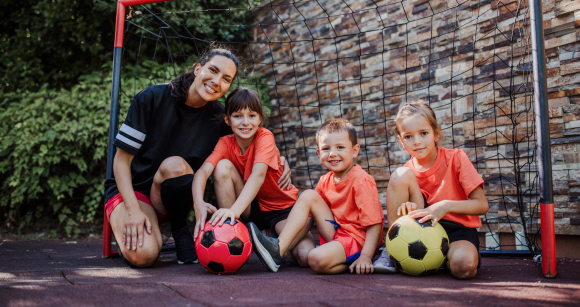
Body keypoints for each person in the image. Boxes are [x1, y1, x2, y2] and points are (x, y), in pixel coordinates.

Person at [103, 47, 293, 267]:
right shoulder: (152, 97)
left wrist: (279, 159)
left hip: (176, 199)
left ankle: (179, 225)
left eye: (226, 79)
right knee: (143, 256)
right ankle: (151, 226)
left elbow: (253, 139)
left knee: (176, 166)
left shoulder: (219, 118)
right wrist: (133, 210)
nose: (216, 81)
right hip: (133, 193)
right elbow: (121, 160)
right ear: (197, 69)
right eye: (212, 70)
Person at [192, 88, 315, 267]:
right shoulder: (225, 143)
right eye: (237, 116)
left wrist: (234, 209)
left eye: (251, 115)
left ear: (260, 119)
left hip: (282, 210)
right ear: (227, 119)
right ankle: (233, 233)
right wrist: (198, 203)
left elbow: (258, 175)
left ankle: (268, 237)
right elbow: (202, 173)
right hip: (251, 207)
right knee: (222, 167)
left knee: (305, 256)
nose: (245, 122)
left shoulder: (265, 136)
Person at [248, 118, 384, 274]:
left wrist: (366, 256)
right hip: (337, 233)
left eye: (340, 147)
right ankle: (278, 248)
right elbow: (310, 218)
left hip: (358, 240)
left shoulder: (361, 179)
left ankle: (357, 259)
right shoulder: (324, 181)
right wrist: (290, 243)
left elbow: (374, 224)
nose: (332, 154)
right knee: (308, 198)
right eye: (326, 149)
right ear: (319, 153)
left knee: (314, 258)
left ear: (354, 150)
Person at [382, 100, 489, 279]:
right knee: (400, 174)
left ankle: (444, 258)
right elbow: (415, 211)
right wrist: (408, 210)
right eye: (408, 137)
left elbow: (482, 205)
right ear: (401, 141)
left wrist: (445, 206)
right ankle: (390, 251)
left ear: (436, 133)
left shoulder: (456, 158)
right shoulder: (407, 173)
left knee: (465, 266)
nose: (417, 142)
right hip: (421, 230)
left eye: (423, 133)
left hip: (458, 230)